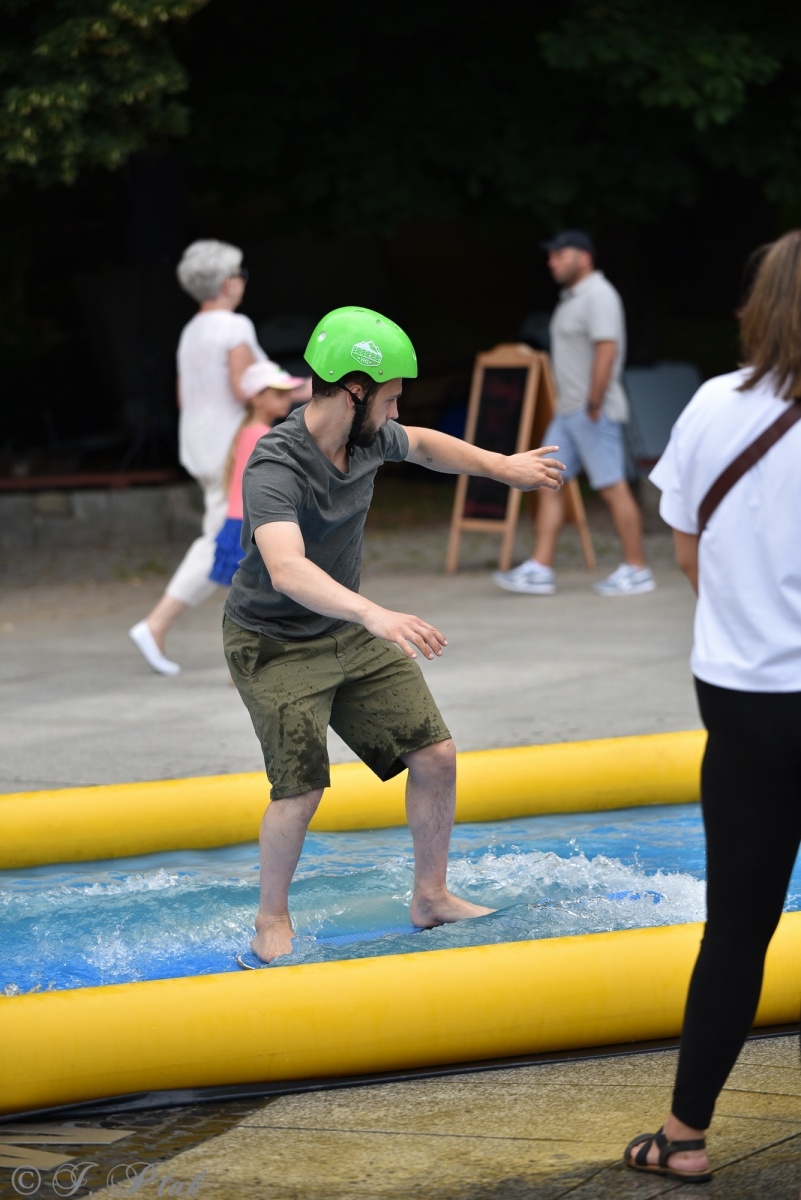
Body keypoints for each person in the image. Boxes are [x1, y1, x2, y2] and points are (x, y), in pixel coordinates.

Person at [223, 305, 565, 964]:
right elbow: (287, 568)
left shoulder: (368, 438)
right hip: (273, 641)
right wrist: (374, 615)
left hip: (345, 625)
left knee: (434, 755)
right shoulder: (276, 463)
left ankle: (431, 897)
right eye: (389, 396)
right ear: (353, 389)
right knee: (301, 789)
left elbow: (427, 445)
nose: (397, 410)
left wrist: (502, 466)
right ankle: (270, 919)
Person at [622, 230, 801, 1183]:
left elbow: (686, 550)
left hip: (743, 702)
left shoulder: (708, 407)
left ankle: (683, 1138)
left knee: (735, 928)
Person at [129, 239, 309, 676]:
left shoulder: (191, 330)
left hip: (198, 441)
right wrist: (307, 389)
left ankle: (255, 636)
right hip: (235, 445)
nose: (243, 281)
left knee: (235, 537)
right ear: (228, 281)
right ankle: (157, 624)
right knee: (224, 541)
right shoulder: (235, 326)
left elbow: (182, 392)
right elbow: (246, 386)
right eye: (241, 274)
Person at [493, 229, 655, 597]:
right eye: (550, 256)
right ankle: (541, 567)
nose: (552, 262)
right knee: (546, 482)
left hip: (591, 411)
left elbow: (607, 350)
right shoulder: (572, 298)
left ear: (584, 257)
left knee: (612, 486)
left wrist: (594, 404)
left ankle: (637, 568)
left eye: (559, 255)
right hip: (569, 413)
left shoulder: (599, 295)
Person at [209, 361, 302, 587]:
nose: (287, 399)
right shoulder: (264, 436)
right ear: (257, 398)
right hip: (252, 524)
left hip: (239, 521)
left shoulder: (247, 430)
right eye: (279, 394)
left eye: (288, 393)